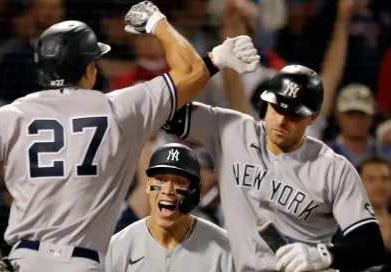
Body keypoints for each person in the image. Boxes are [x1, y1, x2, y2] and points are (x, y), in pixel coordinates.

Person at [0, 2, 260, 272]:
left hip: (25, 260)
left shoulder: (9, 116)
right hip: (83, 262)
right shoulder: (119, 107)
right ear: (90, 68)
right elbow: (190, 71)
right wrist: (157, 22)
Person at [162, 64, 385, 271]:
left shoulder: (333, 169)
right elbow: (163, 108)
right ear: (264, 105)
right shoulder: (232, 130)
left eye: (294, 114)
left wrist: (325, 255)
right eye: (277, 108)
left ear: (313, 117)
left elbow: (371, 248)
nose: (281, 121)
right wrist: (211, 63)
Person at [104, 143, 234, 271]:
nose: (167, 190)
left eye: (179, 182)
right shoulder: (119, 247)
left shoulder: (223, 248)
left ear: (193, 191)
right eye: (160, 180)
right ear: (148, 184)